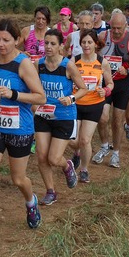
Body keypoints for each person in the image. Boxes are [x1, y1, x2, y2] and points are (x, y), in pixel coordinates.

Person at [0, 18, 46, 249]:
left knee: (18, 179)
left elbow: (40, 97)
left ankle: (30, 200)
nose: (1, 44)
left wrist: (14, 94)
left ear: (17, 40)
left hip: (19, 128)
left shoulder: (23, 64)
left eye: (7, 40)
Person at [35, 29, 88, 205]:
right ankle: (51, 191)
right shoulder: (38, 64)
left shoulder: (68, 66)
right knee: (42, 157)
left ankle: (67, 166)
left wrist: (70, 98)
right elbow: (33, 87)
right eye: (46, 43)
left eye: (53, 44)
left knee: (53, 158)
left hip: (64, 116)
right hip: (43, 115)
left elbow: (83, 88)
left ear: (60, 46)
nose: (48, 47)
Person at [93, 12, 129, 168]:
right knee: (102, 118)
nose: (115, 31)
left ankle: (115, 152)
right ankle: (104, 146)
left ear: (125, 26)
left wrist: (128, 71)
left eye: (119, 28)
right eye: (113, 27)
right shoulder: (102, 36)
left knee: (117, 120)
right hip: (105, 82)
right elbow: (93, 55)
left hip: (123, 85)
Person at [68, 29, 114, 183]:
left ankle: (84, 169)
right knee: (74, 141)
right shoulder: (74, 61)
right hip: (76, 105)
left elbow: (110, 83)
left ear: (95, 44)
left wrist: (106, 90)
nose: (86, 45)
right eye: (83, 42)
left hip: (94, 105)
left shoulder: (102, 62)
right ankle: (77, 153)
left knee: (85, 140)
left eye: (89, 42)